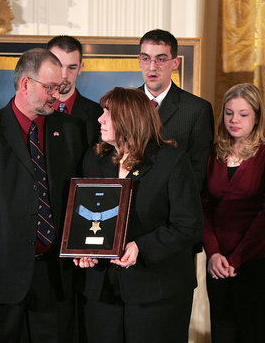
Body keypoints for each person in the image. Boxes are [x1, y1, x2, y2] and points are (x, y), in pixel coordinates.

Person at [0, 48, 89, 342]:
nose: (57, 94)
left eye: (60, 87)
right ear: (25, 84)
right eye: (50, 87)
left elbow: (81, 197)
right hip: (0, 279)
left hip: (57, 278)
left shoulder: (71, 130)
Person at [75, 87, 203, 343]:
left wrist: (141, 247)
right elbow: (87, 218)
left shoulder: (172, 161)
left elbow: (189, 226)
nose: (100, 119)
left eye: (108, 113)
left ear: (129, 118)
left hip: (157, 292)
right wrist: (84, 249)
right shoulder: (95, 159)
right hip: (103, 291)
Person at [202, 83, 265, 343]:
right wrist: (214, 253)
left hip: (259, 263)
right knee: (223, 334)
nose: (234, 120)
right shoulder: (214, 153)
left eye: (243, 114)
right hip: (218, 264)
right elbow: (204, 205)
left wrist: (236, 258)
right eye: (229, 113)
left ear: (257, 117)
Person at [138, 29, 214, 190]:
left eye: (161, 59)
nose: (152, 67)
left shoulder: (197, 110)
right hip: (128, 204)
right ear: (139, 61)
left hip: (172, 208)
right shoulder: (122, 105)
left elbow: (197, 172)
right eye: (146, 59)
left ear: (175, 63)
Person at [47, 35, 102, 145]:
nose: (64, 75)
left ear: (80, 68)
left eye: (71, 68)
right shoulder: (32, 112)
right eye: (58, 66)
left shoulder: (99, 115)